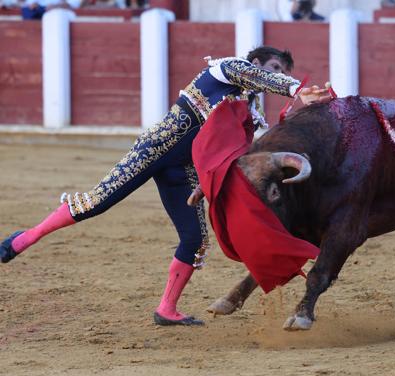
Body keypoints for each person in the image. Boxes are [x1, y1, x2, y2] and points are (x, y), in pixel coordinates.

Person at [0, 46, 329, 327]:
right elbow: (264, 81)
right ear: (256, 64)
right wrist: (295, 88)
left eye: (284, 71)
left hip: (184, 170)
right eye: (275, 68)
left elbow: (244, 153)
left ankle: (166, 309)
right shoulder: (229, 67)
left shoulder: (252, 113)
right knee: (97, 202)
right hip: (155, 148)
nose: (277, 74)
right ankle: (25, 238)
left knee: (195, 240)